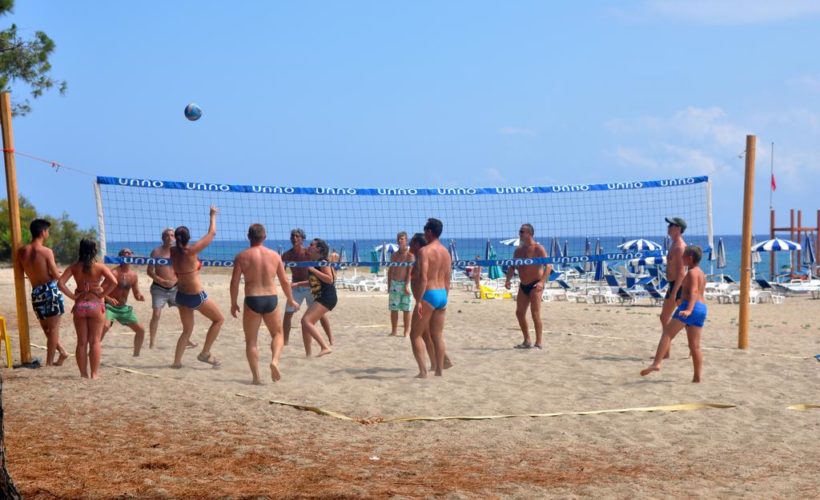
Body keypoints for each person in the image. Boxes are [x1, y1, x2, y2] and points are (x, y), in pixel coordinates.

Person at [230, 223, 298, 384]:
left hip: (252, 298)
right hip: (270, 299)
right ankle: (274, 360)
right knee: (278, 334)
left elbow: (233, 283)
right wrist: (290, 299)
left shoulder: (242, 256)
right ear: (265, 237)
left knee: (251, 340)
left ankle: (256, 378)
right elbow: (284, 281)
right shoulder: (275, 256)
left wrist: (233, 303)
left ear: (248, 237)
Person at [641, 245, 706, 383]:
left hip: (691, 308)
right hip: (701, 309)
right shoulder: (701, 273)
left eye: (683, 256)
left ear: (690, 258)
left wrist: (688, 309)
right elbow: (696, 292)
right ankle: (697, 378)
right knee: (695, 346)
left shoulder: (692, 273)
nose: (681, 258)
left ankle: (657, 363)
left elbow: (693, 291)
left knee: (667, 334)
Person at [170, 206, 224, 368]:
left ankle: (177, 362)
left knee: (187, 330)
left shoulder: (173, 251)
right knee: (219, 320)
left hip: (180, 295)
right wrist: (212, 215)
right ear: (188, 238)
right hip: (195, 296)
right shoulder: (191, 251)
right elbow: (212, 233)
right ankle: (205, 353)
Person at [57, 239, 118, 379]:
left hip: (80, 305)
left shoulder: (74, 267)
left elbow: (60, 283)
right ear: (94, 250)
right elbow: (114, 282)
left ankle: (83, 374)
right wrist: (102, 295)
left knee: (82, 342)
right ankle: (94, 374)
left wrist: (73, 296)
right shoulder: (100, 267)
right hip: (95, 305)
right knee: (95, 341)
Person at [16, 219, 70, 366]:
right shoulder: (46, 251)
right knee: (52, 329)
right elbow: (55, 275)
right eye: (47, 231)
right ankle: (48, 363)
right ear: (42, 232)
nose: (48, 233)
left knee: (46, 329)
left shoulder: (21, 251)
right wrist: (61, 274)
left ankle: (63, 353)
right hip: (49, 290)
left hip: (36, 292)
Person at [409, 218, 451, 378]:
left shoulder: (424, 251)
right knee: (438, 335)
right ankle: (439, 371)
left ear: (429, 232)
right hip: (442, 295)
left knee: (415, 335)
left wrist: (419, 300)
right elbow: (448, 279)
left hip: (429, 294)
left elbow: (424, 278)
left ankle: (423, 372)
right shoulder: (446, 252)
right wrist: (444, 298)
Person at [282, 229, 332, 346]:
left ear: (302, 239)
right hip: (295, 287)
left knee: (320, 315)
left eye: (297, 236)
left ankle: (330, 339)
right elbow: (281, 271)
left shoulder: (309, 254)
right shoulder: (287, 255)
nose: (294, 238)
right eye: (293, 236)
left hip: (310, 287)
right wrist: (285, 282)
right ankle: (285, 342)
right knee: (287, 315)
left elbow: (323, 265)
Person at [505, 223, 550, 350]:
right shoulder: (518, 250)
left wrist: (541, 282)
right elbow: (512, 266)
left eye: (521, 231)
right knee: (519, 313)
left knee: (535, 314)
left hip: (535, 284)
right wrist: (508, 279)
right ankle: (527, 340)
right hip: (523, 285)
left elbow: (549, 266)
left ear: (529, 233)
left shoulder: (538, 248)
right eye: (520, 231)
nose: (519, 233)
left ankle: (539, 342)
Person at [101, 248, 147, 356]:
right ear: (120, 257)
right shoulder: (113, 272)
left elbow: (136, 294)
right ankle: (93, 350)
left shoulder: (134, 275)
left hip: (123, 308)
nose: (127, 254)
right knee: (105, 327)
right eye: (124, 253)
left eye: (129, 253)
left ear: (132, 256)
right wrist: (108, 299)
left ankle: (136, 356)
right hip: (109, 306)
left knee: (141, 330)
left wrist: (139, 296)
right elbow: (101, 290)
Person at [146, 228, 186, 349]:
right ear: (163, 238)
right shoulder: (156, 252)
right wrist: (161, 280)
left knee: (185, 312)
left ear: (175, 238)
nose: (170, 237)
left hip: (175, 288)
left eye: (172, 235)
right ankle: (152, 341)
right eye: (167, 235)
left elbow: (183, 270)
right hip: (159, 288)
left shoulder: (178, 252)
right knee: (156, 315)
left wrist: (178, 281)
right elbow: (149, 271)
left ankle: (187, 339)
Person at [657, 216, 687, 359]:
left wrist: (675, 292)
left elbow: (682, 272)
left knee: (670, 318)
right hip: (673, 285)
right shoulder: (673, 244)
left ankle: (668, 349)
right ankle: (667, 349)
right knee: (666, 318)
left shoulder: (680, 247)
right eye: (668, 225)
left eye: (671, 225)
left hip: (678, 286)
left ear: (678, 229)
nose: (668, 227)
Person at [300, 239, 334, 357]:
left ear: (318, 249)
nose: (309, 246)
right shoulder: (314, 261)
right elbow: (314, 282)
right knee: (305, 324)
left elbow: (329, 279)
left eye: (311, 245)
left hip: (327, 296)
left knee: (306, 321)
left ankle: (325, 347)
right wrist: (297, 284)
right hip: (320, 296)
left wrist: (313, 269)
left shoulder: (322, 261)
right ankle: (308, 354)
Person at [387, 231, 414, 337]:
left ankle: (406, 332)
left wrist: (407, 285)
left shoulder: (410, 255)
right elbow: (390, 271)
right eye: (398, 239)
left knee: (406, 309)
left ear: (406, 240)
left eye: (402, 239)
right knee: (394, 309)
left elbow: (409, 272)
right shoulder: (394, 255)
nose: (399, 240)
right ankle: (394, 331)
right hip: (395, 284)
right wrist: (389, 285)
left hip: (405, 284)